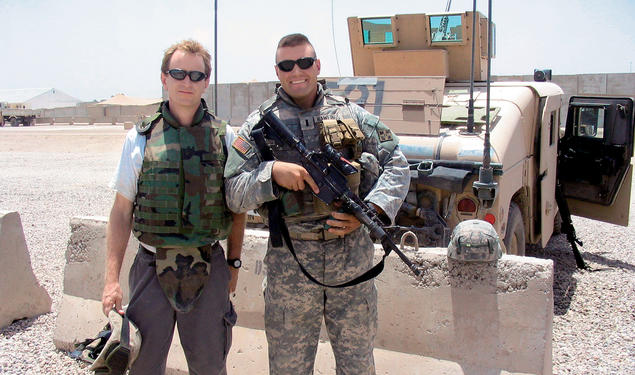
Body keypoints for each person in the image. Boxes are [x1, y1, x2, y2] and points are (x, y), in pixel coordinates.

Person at [224, 33, 410, 374]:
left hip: (352, 259)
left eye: (305, 62)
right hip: (290, 264)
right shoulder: (258, 126)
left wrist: (373, 211)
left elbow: (397, 162)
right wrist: (272, 173)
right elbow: (233, 191)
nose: (297, 71)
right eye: (287, 65)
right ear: (277, 71)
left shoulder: (351, 114)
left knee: (357, 365)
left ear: (317, 65)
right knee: (288, 368)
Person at [101, 39, 246, 375]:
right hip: (151, 267)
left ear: (206, 81)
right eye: (178, 72)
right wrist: (112, 280)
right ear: (164, 78)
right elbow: (121, 212)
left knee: (210, 365)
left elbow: (238, 209)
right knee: (143, 365)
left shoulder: (224, 137)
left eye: (196, 75)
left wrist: (233, 263)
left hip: (209, 268)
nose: (187, 81)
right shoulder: (140, 137)